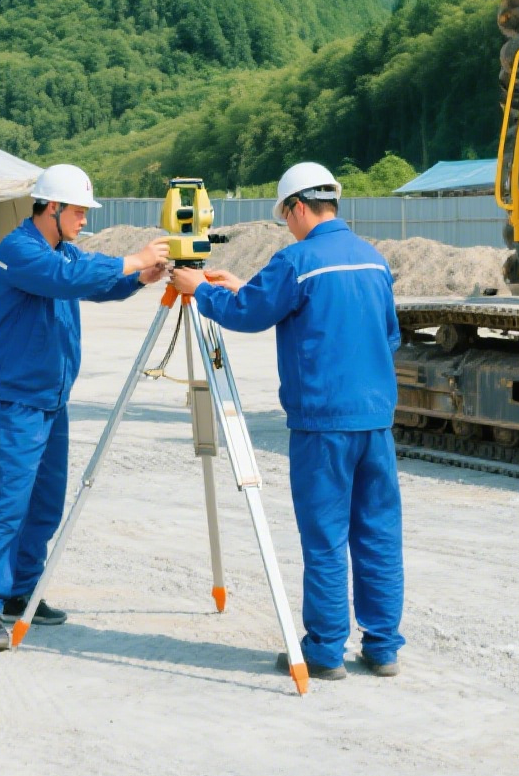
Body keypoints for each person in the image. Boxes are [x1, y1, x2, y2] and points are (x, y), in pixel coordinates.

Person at [169, 161, 404, 681]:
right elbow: (389, 338)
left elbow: (248, 315)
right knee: (378, 533)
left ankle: (323, 652)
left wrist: (199, 289)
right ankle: (383, 647)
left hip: (323, 425)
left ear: (298, 207)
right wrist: (243, 285)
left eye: (286, 216)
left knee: (325, 539)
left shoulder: (296, 259)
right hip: (375, 422)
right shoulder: (373, 260)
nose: (287, 226)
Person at [0, 164, 170, 652]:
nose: (84, 220)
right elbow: (66, 276)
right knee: (9, 503)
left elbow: (93, 283)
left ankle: (21, 590)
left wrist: (142, 275)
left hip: (51, 399)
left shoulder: (63, 251)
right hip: (14, 397)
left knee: (45, 502)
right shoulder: (19, 250)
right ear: (51, 208)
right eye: (78, 212)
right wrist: (130, 258)